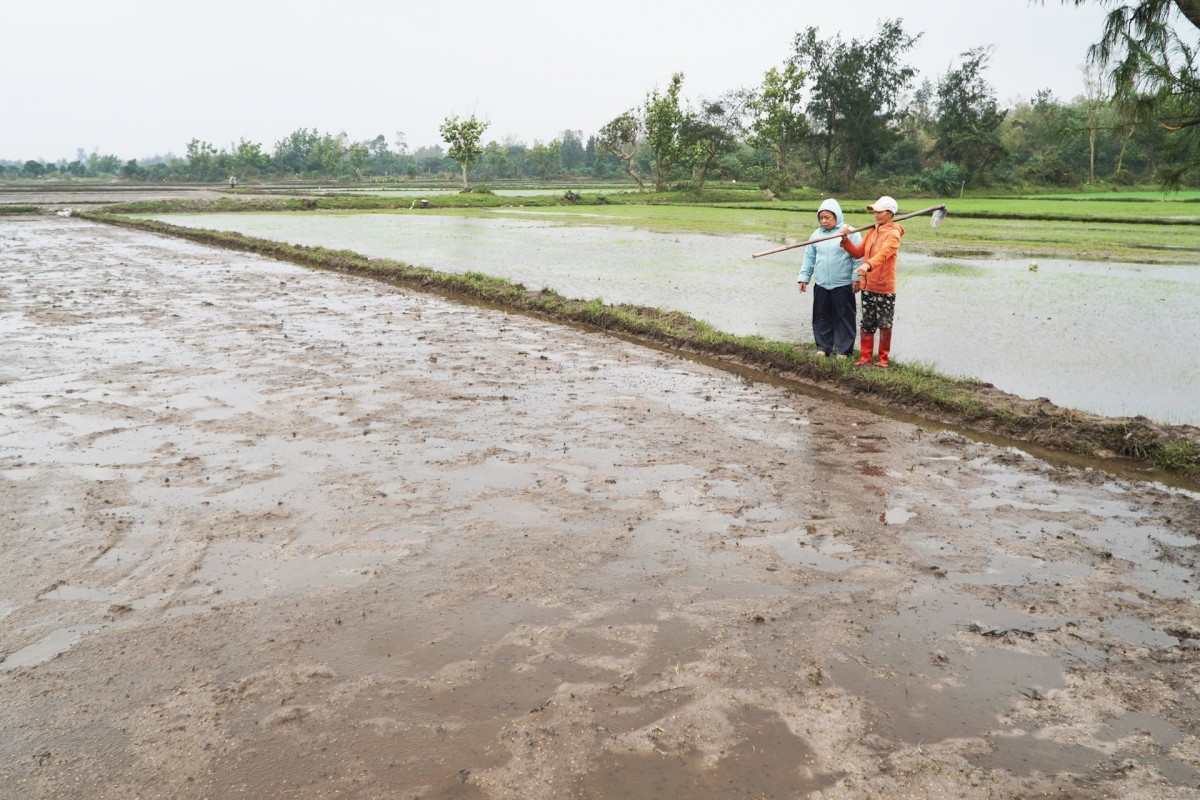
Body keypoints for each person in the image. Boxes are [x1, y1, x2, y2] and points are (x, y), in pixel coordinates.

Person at [840, 195, 904, 368]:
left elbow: (883, 254)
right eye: (874, 212)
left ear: (890, 213)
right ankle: (865, 358)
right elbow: (858, 252)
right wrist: (845, 240)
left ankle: (883, 359)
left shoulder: (894, 234)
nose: (875, 215)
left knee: (884, 323)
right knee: (867, 322)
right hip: (867, 285)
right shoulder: (871, 231)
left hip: (884, 287)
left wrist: (868, 265)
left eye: (879, 212)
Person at [797, 199, 861, 358]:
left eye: (828, 217)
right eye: (821, 218)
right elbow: (809, 257)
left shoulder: (849, 232)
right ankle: (823, 347)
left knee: (844, 317)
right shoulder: (816, 234)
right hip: (821, 283)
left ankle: (843, 350)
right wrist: (804, 277)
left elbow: (859, 257)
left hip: (843, 284)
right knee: (821, 316)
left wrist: (856, 278)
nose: (824, 221)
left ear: (837, 216)